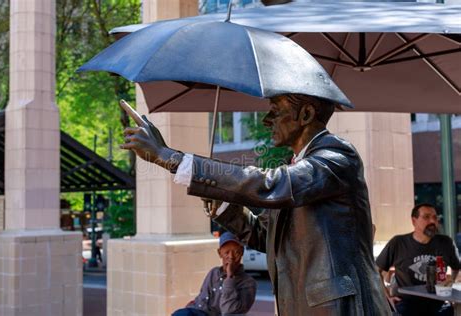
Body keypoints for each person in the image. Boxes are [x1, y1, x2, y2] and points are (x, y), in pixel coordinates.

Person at [121, 93, 390, 315]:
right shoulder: (298, 169)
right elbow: (264, 236)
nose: (266, 120)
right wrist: (225, 205)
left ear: (306, 115)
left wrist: (171, 158)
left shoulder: (337, 156)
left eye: (275, 111)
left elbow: (269, 185)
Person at [376, 203, 461, 316]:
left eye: (435, 217)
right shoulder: (398, 243)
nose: (432, 221)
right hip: (407, 304)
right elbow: (375, 271)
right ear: (414, 221)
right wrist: (387, 298)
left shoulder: (446, 242)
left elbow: (456, 267)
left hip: (438, 303)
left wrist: (449, 285)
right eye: (426, 217)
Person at [172, 232, 256, 316]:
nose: (231, 257)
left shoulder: (248, 283)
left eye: (236, 252)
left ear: (242, 253)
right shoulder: (214, 273)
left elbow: (229, 311)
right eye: (226, 252)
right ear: (219, 253)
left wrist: (229, 278)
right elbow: (201, 301)